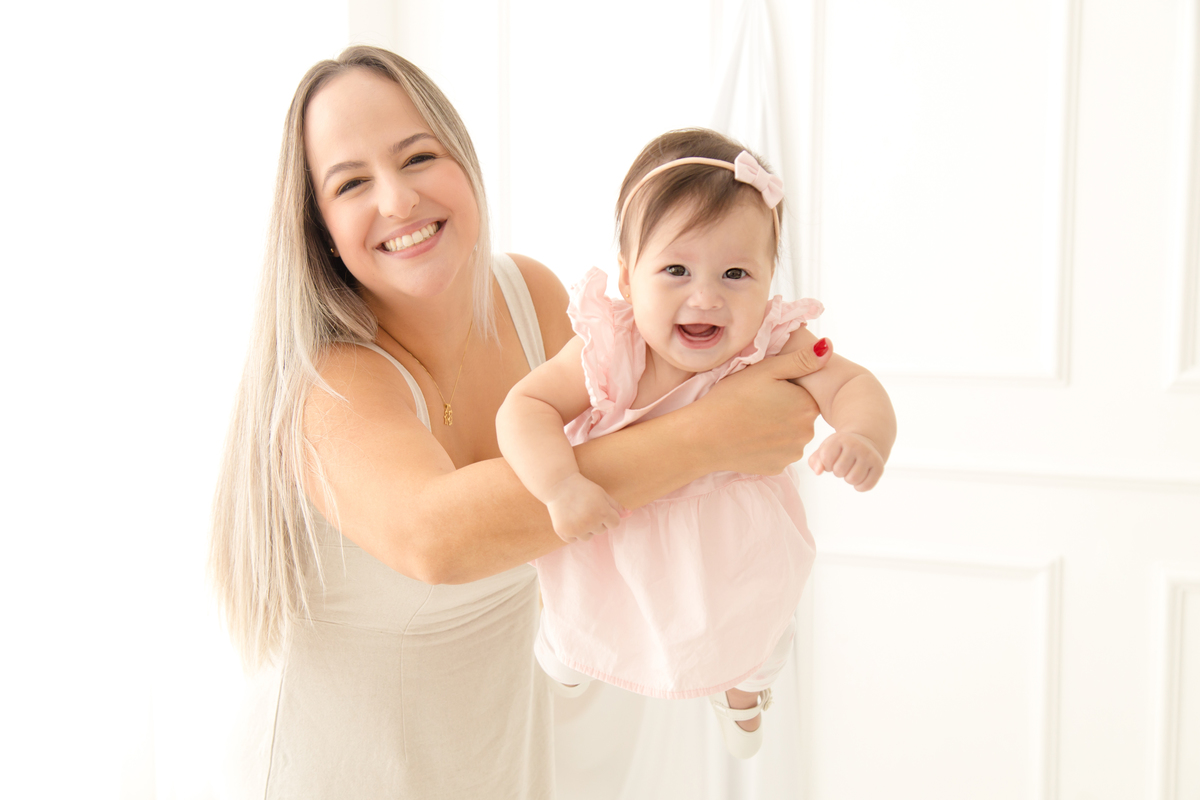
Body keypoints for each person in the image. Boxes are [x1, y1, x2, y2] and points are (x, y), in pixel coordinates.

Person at [208, 48, 828, 798]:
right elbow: (437, 539)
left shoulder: (530, 297)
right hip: (333, 775)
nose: (398, 200)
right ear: (320, 229)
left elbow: (658, 417)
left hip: (501, 763)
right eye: (351, 183)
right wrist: (712, 436)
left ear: (464, 160)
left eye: (418, 156)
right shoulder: (324, 383)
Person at [496, 128, 897, 759]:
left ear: (769, 280)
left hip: (735, 544)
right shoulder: (613, 347)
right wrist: (560, 484)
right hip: (617, 533)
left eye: (736, 273)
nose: (706, 297)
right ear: (627, 278)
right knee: (583, 612)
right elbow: (525, 407)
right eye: (676, 270)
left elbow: (852, 384)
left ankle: (743, 692)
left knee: (759, 625)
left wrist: (863, 434)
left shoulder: (773, 342)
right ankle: (569, 645)